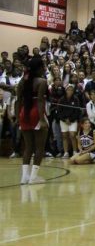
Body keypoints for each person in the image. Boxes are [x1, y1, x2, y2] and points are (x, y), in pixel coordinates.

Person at [16, 56, 48, 184]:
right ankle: (34, 177)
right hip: (36, 113)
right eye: (43, 66)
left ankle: (24, 177)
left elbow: (18, 101)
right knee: (39, 147)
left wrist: (18, 117)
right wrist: (42, 119)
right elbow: (40, 101)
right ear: (39, 68)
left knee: (28, 147)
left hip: (24, 113)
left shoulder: (22, 82)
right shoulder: (42, 81)